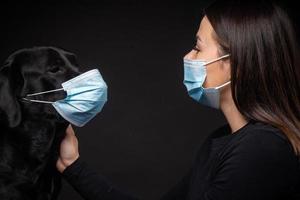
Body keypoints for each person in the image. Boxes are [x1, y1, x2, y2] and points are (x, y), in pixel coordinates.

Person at [56, 0, 300, 199]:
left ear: (233, 63)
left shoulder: (261, 150)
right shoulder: (223, 140)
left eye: (197, 47)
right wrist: (72, 165)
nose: (188, 55)